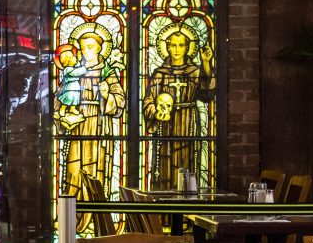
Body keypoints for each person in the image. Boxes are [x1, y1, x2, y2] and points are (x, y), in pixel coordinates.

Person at [60, 25, 125, 229]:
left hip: (97, 125)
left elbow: (120, 102)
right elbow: (58, 98)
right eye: (83, 47)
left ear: (99, 49)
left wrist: (106, 95)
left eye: (90, 47)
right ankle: (72, 221)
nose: (86, 52)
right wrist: (61, 115)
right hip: (77, 126)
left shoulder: (108, 72)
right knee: (73, 170)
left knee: (95, 172)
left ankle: (97, 221)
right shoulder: (74, 72)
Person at [142, 24, 215, 188]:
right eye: (173, 45)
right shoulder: (160, 74)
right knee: (164, 166)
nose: (176, 49)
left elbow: (207, 95)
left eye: (181, 45)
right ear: (167, 47)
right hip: (165, 126)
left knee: (186, 162)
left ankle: (186, 207)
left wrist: (205, 64)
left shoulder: (194, 72)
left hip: (187, 124)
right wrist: (155, 113)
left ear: (187, 48)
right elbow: (148, 100)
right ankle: (163, 208)